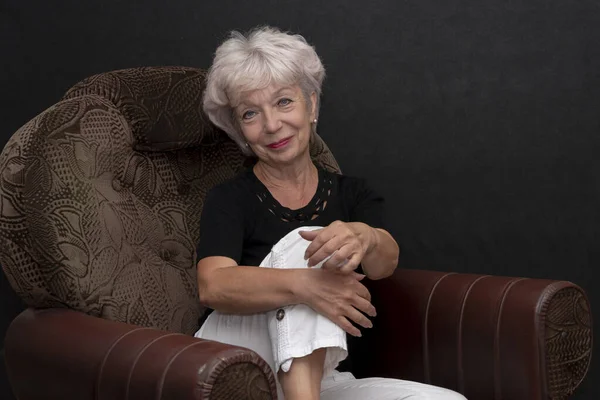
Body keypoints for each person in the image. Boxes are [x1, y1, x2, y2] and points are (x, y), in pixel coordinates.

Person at [195, 26, 466, 400]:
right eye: (251, 113)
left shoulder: (352, 192)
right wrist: (304, 286)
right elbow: (214, 285)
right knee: (309, 250)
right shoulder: (230, 198)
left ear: (312, 105)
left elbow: (383, 263)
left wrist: (366, 236)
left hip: (322, 376)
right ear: (241, 131)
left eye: (284, 102)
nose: (272, 125)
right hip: (235, 360)